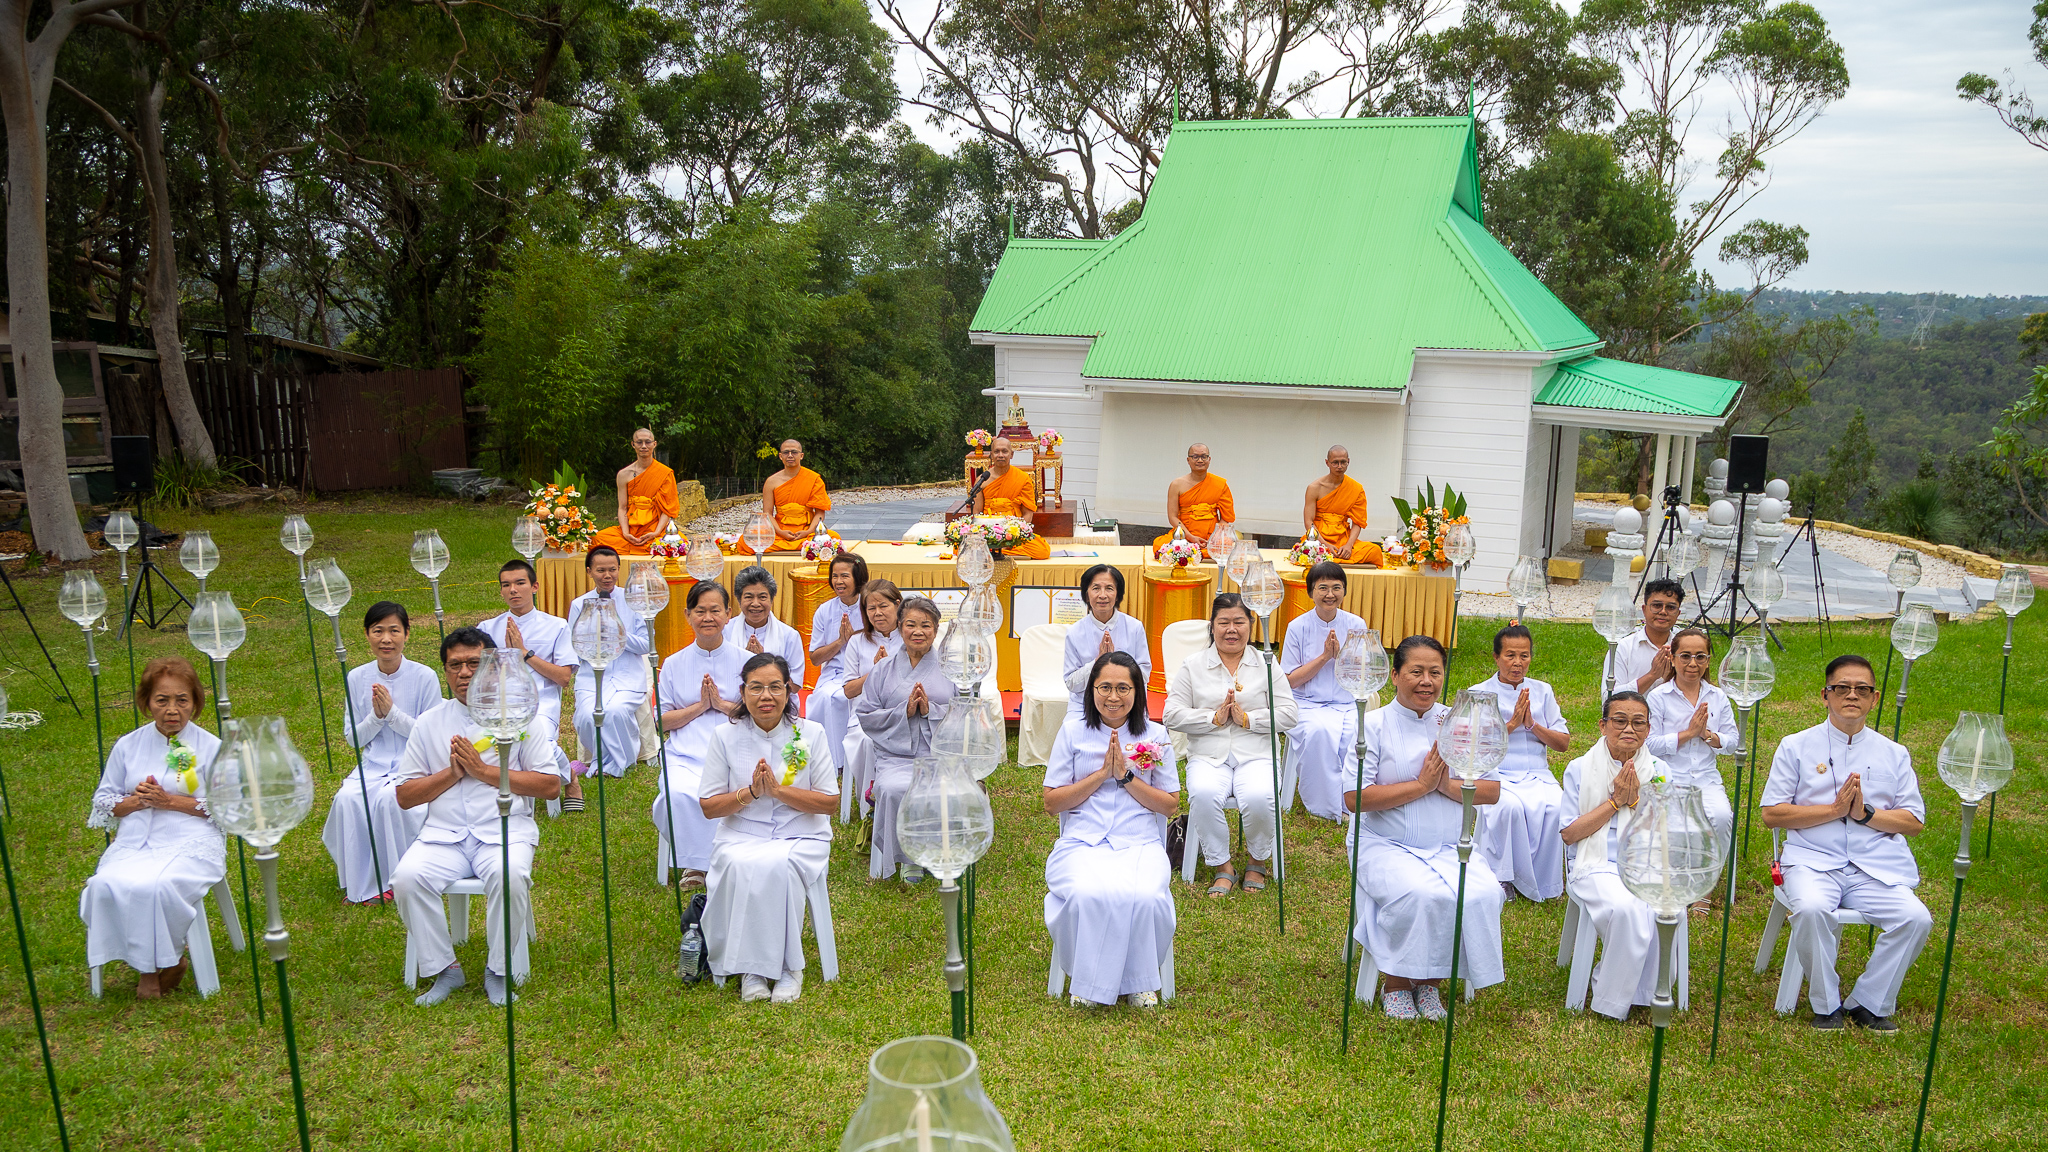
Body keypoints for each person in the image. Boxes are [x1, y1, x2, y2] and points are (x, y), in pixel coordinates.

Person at [391, 628, 567, 1008]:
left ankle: (498, 970)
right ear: (445, 671)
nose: (465, 673)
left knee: (510, 874)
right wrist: (452, 773)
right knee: (406, 879)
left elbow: (551, 785)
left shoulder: (522, 718)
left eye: (475, 663)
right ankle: (445, 969)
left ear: (494, 668)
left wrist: (485, 772)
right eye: (455, 665)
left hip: (504, 831)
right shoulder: (429, 723)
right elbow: (405, 796)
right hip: (444, 835)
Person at [1760, 654, 1931, 1032]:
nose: (1851, 695)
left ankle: (1869, 1001)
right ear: (1826, 695)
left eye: (1862, 689)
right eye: (1842, 688)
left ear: (1875, 698)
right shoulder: (1796, 745)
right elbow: (1772, 813)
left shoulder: (1894, 753)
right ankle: (1826, 1003)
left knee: (1916, 918)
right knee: (1812, 911)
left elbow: (1914, 821)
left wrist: (1865, 815)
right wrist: (1834, 809)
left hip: (1875, 865)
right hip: (1812, 859)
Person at [1347, 636, 1505, 1021]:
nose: (1426, 682)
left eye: (1435, 672)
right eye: (1416, 671)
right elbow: (1354, 799)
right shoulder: (1372, 725)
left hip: (1448, 845)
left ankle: (1432, 982)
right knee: (1419, 893)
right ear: (1396, 675)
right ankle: (1397, 982)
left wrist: (1446, 785)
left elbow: (1492, 790)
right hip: (1385, 843)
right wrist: (1419, 786)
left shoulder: (1460, 722)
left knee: (1483, 894)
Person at [698, 653, 840, 1003]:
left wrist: (778, 792)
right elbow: (708, 806)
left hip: (801, 834)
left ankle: (789, 969)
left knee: (777, 865)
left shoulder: (809, 734)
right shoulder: (724, 736)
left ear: (789, 691)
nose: (766, 696)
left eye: (775, 687)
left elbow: (829, 803)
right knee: (743, 864)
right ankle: (753, 970)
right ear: (743, 693)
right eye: (756, 688)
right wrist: (750, 793)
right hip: (741, 834)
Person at [81, 657, 224, 999]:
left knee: (158, 885)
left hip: (192, 840)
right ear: (146, 703)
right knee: (103, 885)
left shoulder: (212, 748)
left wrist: (169, 802)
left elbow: (227, 808)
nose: (172, 709)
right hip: (134, 843)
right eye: (162, 700)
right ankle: (156, 963)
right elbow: (104, 799)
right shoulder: (128, 745)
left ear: (195, 703)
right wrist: (137, 801)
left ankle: (159, 967)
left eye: (182, 700)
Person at [1043, 652, 1181, 1008]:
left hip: (1139, 842)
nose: (1113, 697)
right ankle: (1089, 984)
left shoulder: (1155, 734)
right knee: (1088, 893)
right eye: (1105, 687)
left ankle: (1139, 982)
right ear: (1092, 690)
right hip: (1082, 842)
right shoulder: (1073, 731)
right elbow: (1052, 802)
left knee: (1147, 896)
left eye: (1123, 687)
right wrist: (1101, 775)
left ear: (1138, 692)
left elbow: (1170, 805)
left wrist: (1126, 777)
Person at [1164, 593, 1299, 897]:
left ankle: (1257, 861)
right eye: (1223, 622)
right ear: (1212, 627)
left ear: (1251, 625)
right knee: (1204, 793)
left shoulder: (1266, 663)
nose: (1231, 629)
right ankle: (1223, 866)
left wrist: (1248, 719)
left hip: (1256, 753)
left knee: (1259, 795)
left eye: (1239, 622)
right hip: (1209, 754)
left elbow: (1290, 714)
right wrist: (1213, 718)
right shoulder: (1194, 664)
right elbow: (1171, 713)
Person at [322, 601, 442, 905]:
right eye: (378, 631)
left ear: (406, 634)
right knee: (348, 799)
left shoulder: (424, 676)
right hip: (373, 764)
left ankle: (395, 879)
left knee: (391, 801)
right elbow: (353, 738)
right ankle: (358, 880)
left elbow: (429, 735)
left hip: (413, 762)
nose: (386, 639)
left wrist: (391, 714)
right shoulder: (356, 678)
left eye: (393, 631)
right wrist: (376, 718)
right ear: (367, 635)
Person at [1557, 691, 1668, 1022]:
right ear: (1603, 726)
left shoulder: (1660, 771)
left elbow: (1664, 832)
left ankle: (1643, 994)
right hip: (1594, 864)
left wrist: (1635, 802)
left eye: (1638, 722)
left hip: (1644, 862)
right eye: (1619, 720)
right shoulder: (1580, 769)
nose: (1629, 729)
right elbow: (1570, 834)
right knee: (1625, 907)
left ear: (1648, 730)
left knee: (1661, 906)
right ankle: (1610, 999)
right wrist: (1615, 802)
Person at [652, 581, 750, 890]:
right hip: (684, 753)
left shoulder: (746, 661)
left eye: (715, 610)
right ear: (687, 615)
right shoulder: (673, 663)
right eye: (700, 611)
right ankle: (695, 865)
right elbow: (662, 722)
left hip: (734, 751)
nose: (708, 618)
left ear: (728, 614)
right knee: (676, 794)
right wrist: (700, 706)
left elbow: (762, 714)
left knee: (728, 793)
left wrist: (720, 704)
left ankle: (721, 860)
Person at [853, 597, 957, 883]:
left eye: (926, 625)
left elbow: (965, 717)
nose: (918, 631)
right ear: (900, 627)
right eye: (911, 624)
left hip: (939, 755)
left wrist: (930, 710)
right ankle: (908, 859)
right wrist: (905, 711)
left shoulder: (951, 669)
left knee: (943, 789)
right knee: (895, 788)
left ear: (936, 631)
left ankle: (935, 854)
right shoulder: (883, 669)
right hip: (895, 755)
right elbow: (866, 714)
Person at [1467, 624, 1570, 902]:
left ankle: (1545, 881)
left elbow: (1562, 743)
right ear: (1496, 657)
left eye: (1524, 656)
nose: (1517, 663)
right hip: (1496, 771)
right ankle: (1503, 876)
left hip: (1537, 773)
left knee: (1557, 806)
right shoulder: (1479, 693)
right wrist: (1511, 725)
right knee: (1510, 807)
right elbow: (1472, 748)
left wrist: (1533, 724)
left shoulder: (1542, 691)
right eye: (1510, 655)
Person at [1644, 627, 1739, 916]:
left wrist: (1708, 735)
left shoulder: (1718, 697)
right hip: (1668, 776)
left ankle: (1703, 888)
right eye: (1685, 656)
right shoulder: (1659, 696)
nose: (1692, 664)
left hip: (1707, 779)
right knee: (1671, 823)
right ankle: (1673, 883)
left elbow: (1732, 741)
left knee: (1722, 817)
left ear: (1709, 660)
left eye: (1700, 657)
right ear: (1672, 658)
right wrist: (1687, 734)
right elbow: (1648, 744)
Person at [478, 559, 581, 807]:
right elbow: (480, 678)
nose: (513, 590)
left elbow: (564, 677)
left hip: (540, 703)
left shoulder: (556, 626)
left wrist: (524, 653)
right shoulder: (487, 628)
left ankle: (570, 779)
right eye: (506, 585)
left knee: (540, 743)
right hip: (500, 704)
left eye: (520, 583)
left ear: (534, 586)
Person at [1281, 561, 1372, 822]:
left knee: (1357, 733)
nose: (1330, 594)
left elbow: (1363, 674)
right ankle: (1324, 805)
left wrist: (1341, 657)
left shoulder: (1357, 624)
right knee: (1320, 732)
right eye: (1322, 588)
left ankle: (1352, 801)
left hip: (1346, 702)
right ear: (1311, 592)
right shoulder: (1297, 627)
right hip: (1308, 703)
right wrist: (1324, 657)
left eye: (1336, 587)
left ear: (1344, 591)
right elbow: (1290, 680)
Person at [568, 547, 653, 805]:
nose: (608, 575)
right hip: (593, 674)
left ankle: (619, 763)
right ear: (589, 571)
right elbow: (575, 646)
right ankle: (599, 759)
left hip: (627, 673)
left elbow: (646, 644)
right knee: (585, 715)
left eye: (613, 569)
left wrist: (617, 635)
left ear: (619, 569)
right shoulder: (579, 604)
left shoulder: (634, 601)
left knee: (614, 711)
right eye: (601, 570)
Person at [834, 580, 903, 789]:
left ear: (898, 605)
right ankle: (870, 802)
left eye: (883, 606)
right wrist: (876, 671)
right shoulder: (857, 641)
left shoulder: (910, 637)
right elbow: (848, 691)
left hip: (901, 713)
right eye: (871, 608)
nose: (877, 613)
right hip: (865, 716)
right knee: (867, 741)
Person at [805, 552, 870, 772]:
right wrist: (840, 642)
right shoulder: (825, 610)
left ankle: (854, 761)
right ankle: (832, 762)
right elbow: (815, 658)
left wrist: (854, 639)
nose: (838, 582)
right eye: (834, 576)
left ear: (858, 578)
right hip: (834, 673)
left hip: (865, 670)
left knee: (847, 697)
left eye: (844, 576)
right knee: (826, 697)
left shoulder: (870, 606)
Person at [1061, 564, 1150, 719]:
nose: (1102, 595)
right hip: (1084, 704)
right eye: (1096, 588)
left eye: (1109, 588)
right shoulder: (1075, 632)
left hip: (1126, 703)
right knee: (1071, 733)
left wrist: (1116, 665)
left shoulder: (1134, 627)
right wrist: (1097, 662)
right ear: (1086, 594)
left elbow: (1144, 675)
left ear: (1118, 594)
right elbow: (1071, 683)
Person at [589, 428, 682, 555]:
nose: (643, 446)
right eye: (639, 442)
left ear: (654, 444)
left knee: (675, 544)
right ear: (633, 444)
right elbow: (622, 508)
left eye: (648, 442)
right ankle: (634, 544)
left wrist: (655, 533)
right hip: (631, 529)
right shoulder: (623, 474)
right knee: (597, 538)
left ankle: (641, 545)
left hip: (654, 529)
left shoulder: (665, 473)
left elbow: (667, 509)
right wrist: (626, 533)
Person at [725, 565, 807, 691]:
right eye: (748, 597)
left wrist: (764, 662)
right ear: (739, 600)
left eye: (762, 597)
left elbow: (795, 686)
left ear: (772, 600)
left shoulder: (789, 635)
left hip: (776, 704)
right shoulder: (725, 632)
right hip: (733, 702)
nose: (756, 603)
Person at [1297, 446, 1382, 565]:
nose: (1339, 466)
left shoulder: (1356, 488)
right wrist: (1324, 545)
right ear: (1327, 463)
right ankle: (1327, 553)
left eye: (1343, 462)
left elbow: (1358, 522)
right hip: (1320, 538)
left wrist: (1349, 545)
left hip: (1343, 538)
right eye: (1335, 462)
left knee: (1375, 551)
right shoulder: (1314, 488)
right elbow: (1308, 522)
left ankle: (1339, 555)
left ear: (1348, 462)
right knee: (1310, 552)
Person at [1603, 577, 1685, 695]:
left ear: (1678, 613)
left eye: (1671, 607)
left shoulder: (1683, 649)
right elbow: (1609, 697)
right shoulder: (1624, 647)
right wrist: (1652, 675)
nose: (1663, 612)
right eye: (1656, 605)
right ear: (1644, 609)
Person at [974, 436, 1052, 559]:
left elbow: (1028, 515)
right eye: (996, 451)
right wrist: (988, 534)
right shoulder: (982, 480)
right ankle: (994, 549)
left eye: (1004, 451)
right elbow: (977, 513)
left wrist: (1012, 535)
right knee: (959, 547)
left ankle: (994, 551)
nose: (1000, 455)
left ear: (1011, 454)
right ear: (991, 455)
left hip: (1014, 531)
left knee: (1042, 551)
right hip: (989, 530)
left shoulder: (1023, 479)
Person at [1152, 443, 1235, 557]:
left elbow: (1226, 518)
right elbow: (1172, 517)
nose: (1200, 460)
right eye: (1195, 457)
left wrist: (1213, 539)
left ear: (1209, 459)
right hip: (1185, 535)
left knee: (1227, 548)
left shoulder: (1220, 485)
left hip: (1210, 537)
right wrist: (1190, 537)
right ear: (1188, 460)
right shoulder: (1177, 484)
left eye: (1204, 456)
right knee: (1161, 546)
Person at [759, 439, 837, 551]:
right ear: (780, 456)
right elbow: (767, 514)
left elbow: (819, 513)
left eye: (794, 452)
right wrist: (780, 532)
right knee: (747, 541)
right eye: (786, 452)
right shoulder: (771, 481)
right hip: (780, 530)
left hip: (807, 529)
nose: (790, 455)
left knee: (833, 538)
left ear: (801, 456)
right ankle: (806, 548)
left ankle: (803, 545)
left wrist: (808, 532)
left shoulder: (813, 479)